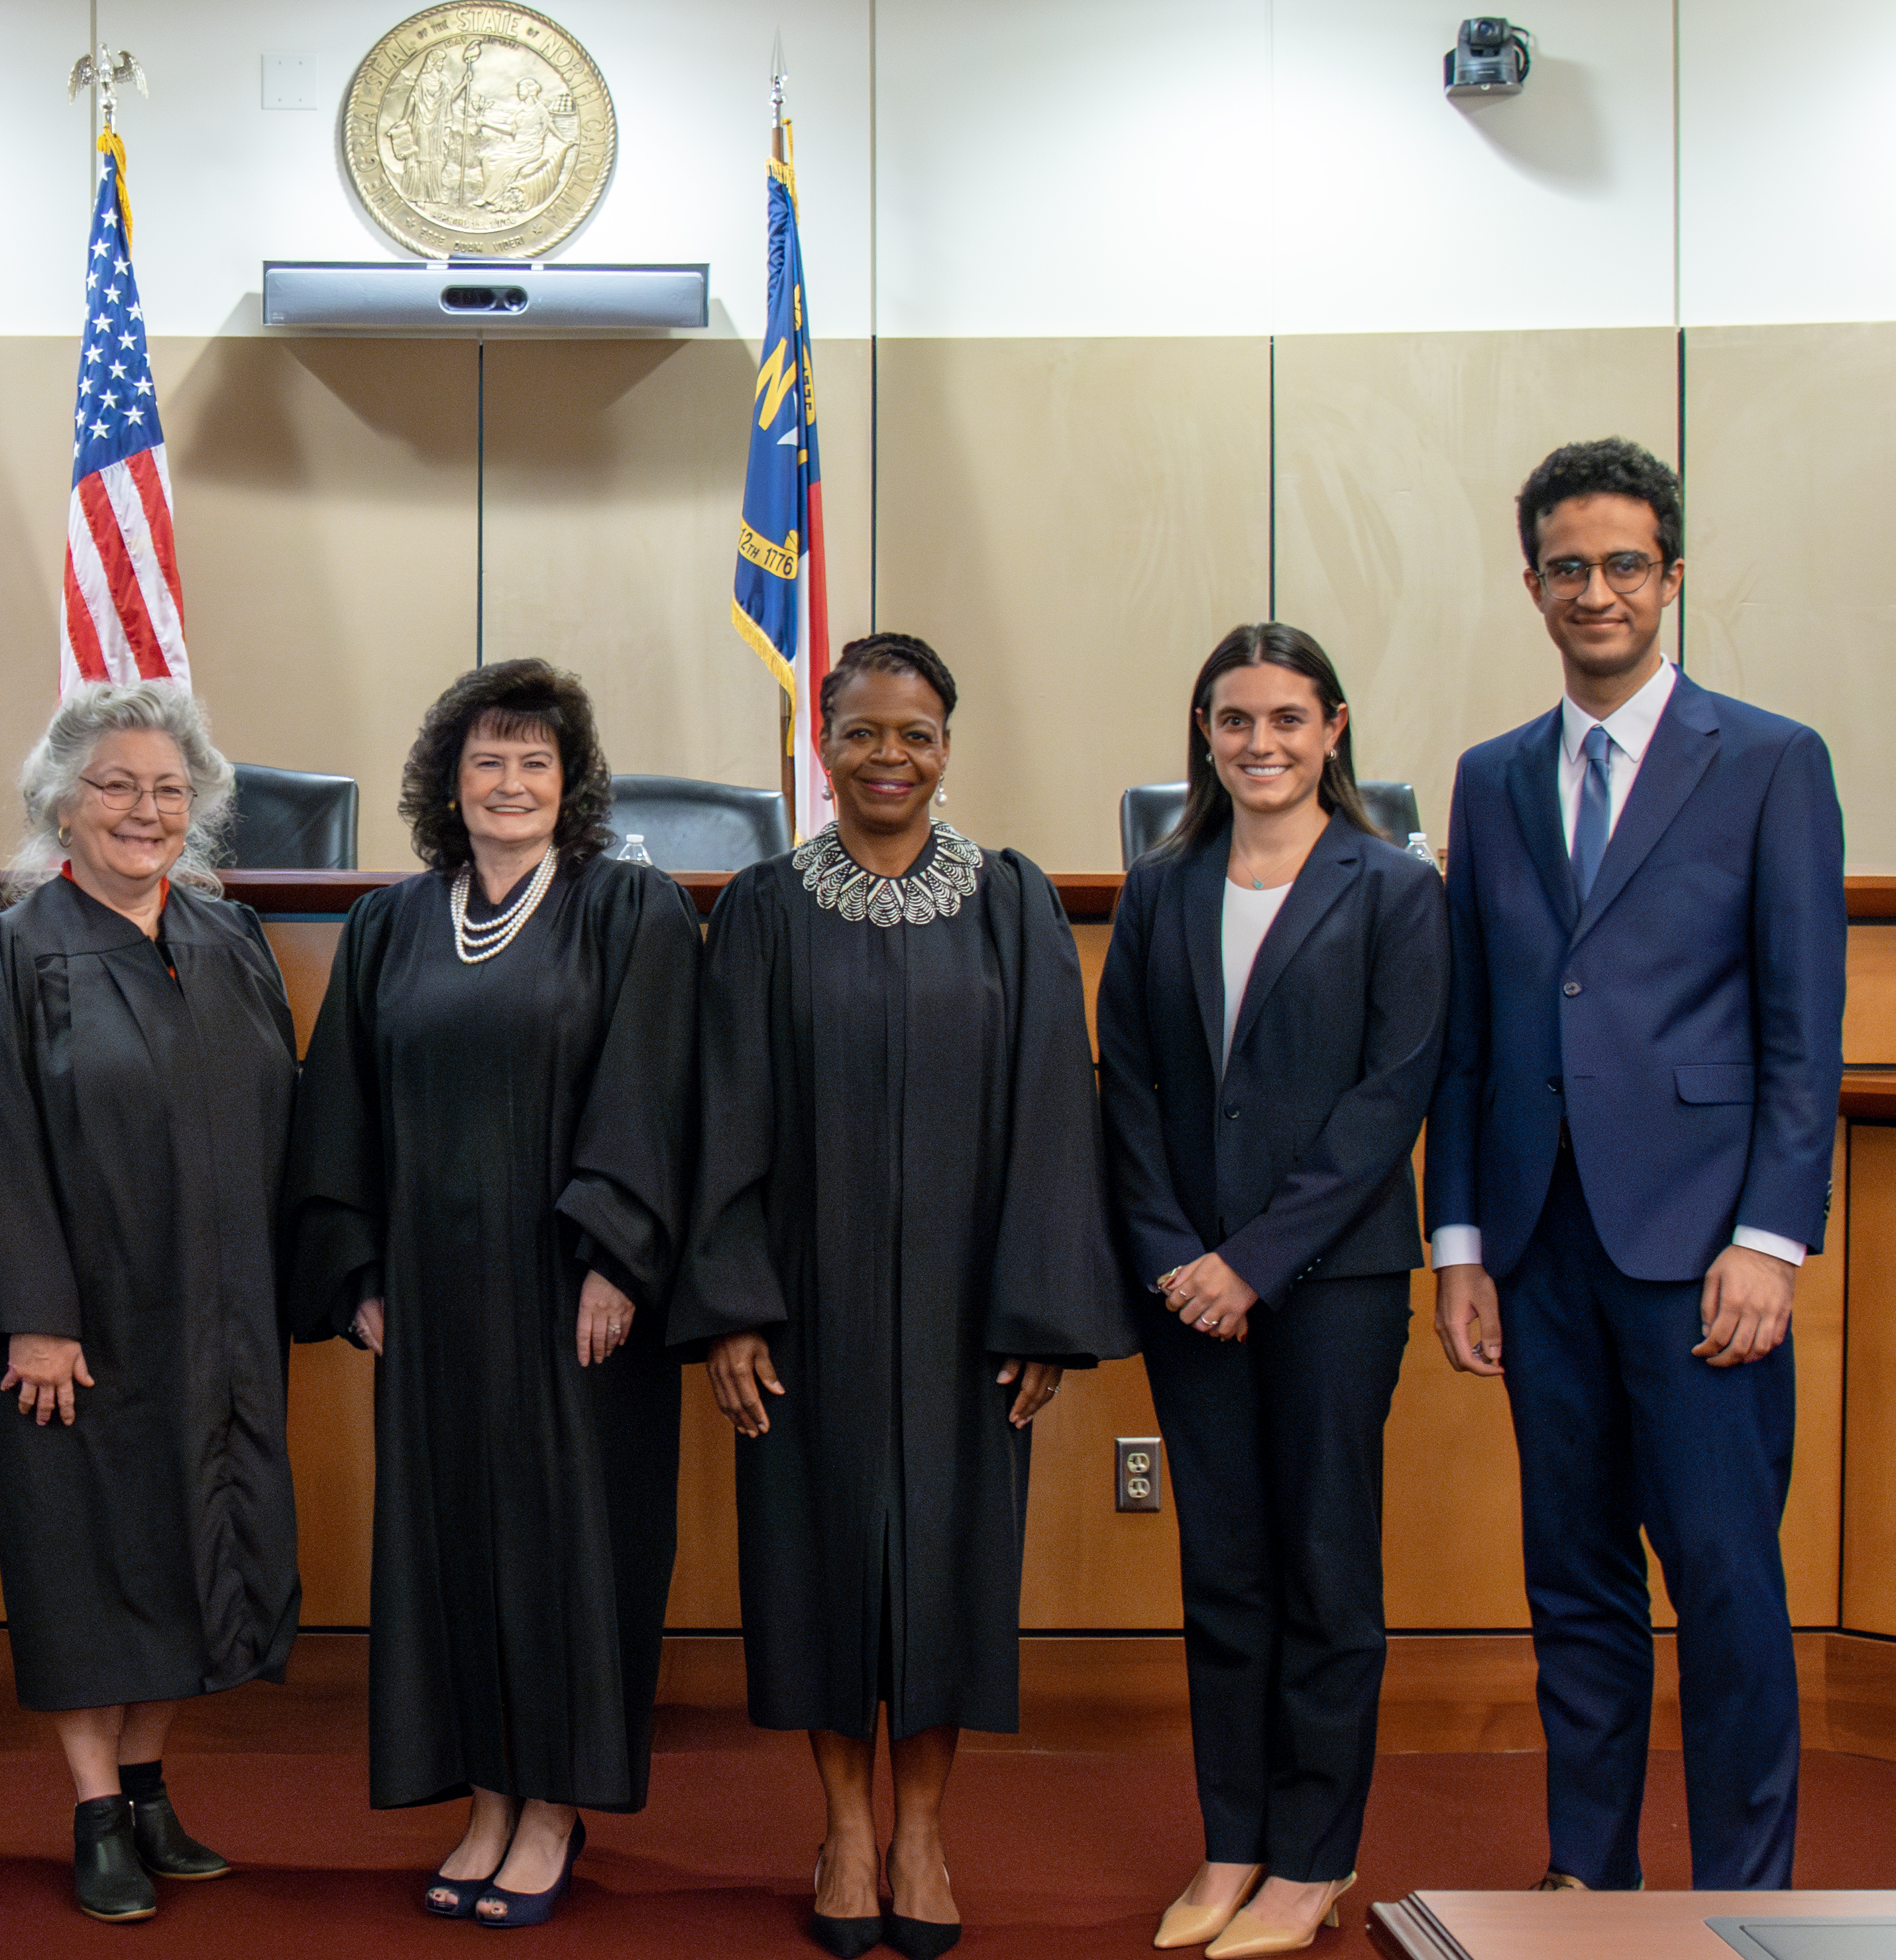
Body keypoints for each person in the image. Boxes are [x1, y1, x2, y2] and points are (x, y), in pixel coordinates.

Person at [1427, 439, 1845, 1893]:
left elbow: (1804, 1034)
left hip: (1702, 1259)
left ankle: (1743, 1896)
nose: (1592, 591)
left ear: (1669, 577)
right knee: (1574, 1592)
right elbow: (1471, 1032)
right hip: (1538, 1252)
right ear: (1530, 583)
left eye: (1621, 565)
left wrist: (1771, 1241)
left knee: (1728, 1593)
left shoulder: (1773, 761)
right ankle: (1585, 1883)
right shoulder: (1489, 782)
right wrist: (1462, 1247)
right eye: (1565, 567)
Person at [677, 633, 1131, 1960]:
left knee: (945, 1569)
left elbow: (1055, 1108)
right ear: (823, 744)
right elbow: (725, 1109)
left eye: (915, 732)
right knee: (817, 1562)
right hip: (804, 1304)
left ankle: (923, 1827)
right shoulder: (763, 906)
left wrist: (1038, 1308)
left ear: (948, 743)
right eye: (863, 731)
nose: (889, 756)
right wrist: (733, 1304)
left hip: (963, 1311)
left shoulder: (1010, 900)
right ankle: (844, 1827)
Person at [282, 658, 697, 1931]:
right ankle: (482, 1792)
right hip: (433, 1299)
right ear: (445, 786)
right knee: (451, 1540)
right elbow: (337, 1108)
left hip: (575, 1299)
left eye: (534, 762)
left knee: (568, 1543)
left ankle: (554, 1799)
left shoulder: (630, 912)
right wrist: (353, 1269)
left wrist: (616, 1255)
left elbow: (660, 1087)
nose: (508, 783)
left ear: (567, 786)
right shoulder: (391, 925)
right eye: (485, 761)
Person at [0, 682, 302, 1924]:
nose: (145, 809)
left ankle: (146, 1780)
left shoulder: (228, 940)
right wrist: (35, 1312)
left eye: (170, 789)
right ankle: (91, 1805)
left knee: (195, 1535)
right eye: (116, 785)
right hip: (78, 1323)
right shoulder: (18, 950)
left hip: (216, 1310)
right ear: (60, 804)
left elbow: (287, 1122)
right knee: (79, 1557)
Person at [1095, 625, 1447, 1956]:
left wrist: (1254, 1261)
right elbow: (1125, 1091)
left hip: (1332, 1286)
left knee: (1322, 1570)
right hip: (1182, 1285)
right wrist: (1178, 1254)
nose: (1259, 743)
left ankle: (1312, 1861)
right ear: (1203, 734)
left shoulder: (1394, 889)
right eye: (1233, 720)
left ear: (1332, 731)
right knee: (1223, 1574)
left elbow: (1386, 1101)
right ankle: (1232, 1840)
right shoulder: (1162, 884)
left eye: (1286, 720)